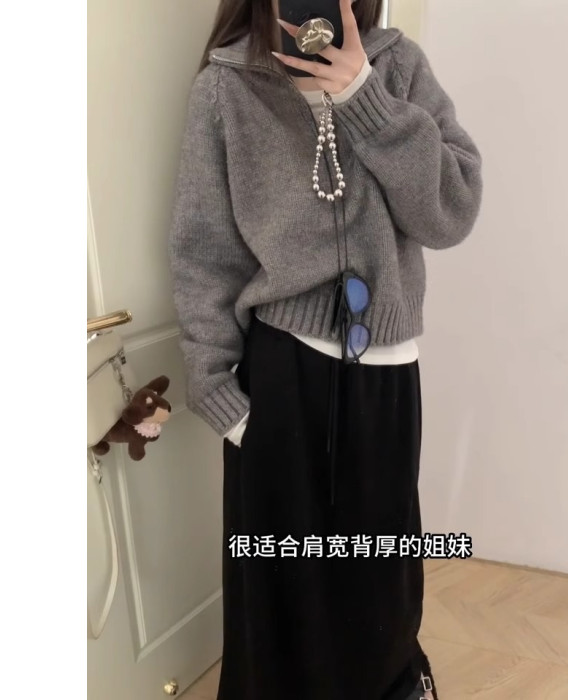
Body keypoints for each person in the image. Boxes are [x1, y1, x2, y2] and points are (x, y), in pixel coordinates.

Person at [167, 0, 483, 698]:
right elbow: (203, 251)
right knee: (280, 586)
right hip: (283, 371)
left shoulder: (398, 69)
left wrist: (363, 98)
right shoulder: (225, 89)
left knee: (381, 576)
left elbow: (452, 210)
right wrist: (217, 389)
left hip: (386, 373)